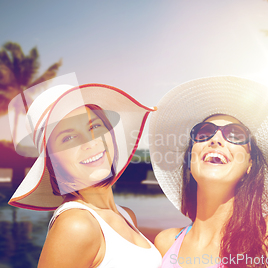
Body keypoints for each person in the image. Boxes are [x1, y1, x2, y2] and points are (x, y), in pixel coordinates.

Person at [149, 76, 268, 268]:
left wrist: (259, 136)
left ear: (250, 164)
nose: (215, 139)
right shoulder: (165, 243)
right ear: (190, 159)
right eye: (204, 132)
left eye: (235, 135)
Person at [9, 83, 162, 268]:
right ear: (53, 161)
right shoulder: (76, 226)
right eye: (68, 138)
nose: (90, 142)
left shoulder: (126, 215)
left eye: (94, 126)